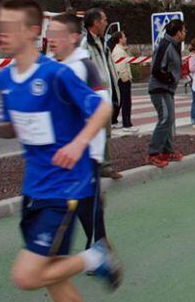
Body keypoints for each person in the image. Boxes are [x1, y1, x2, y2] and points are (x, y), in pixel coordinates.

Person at [0, 0, 121, 301]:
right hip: (34, 189)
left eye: (10, 26)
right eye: (0, 25)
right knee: (55, 280)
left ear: (32, 31)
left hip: (64, 188)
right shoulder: (5, 78)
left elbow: (102, 110)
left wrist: (80, 144)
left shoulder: (57, 74)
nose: (2, 31)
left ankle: (96, 257)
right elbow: (15, 127)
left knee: (27, 276)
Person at [46, 13, 111, 250]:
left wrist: (83, 144)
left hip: (85, 152)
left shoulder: (85, 67)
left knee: (85, 202)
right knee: (69, 201)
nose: (50, 39)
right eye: (49, 33)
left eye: (57, 34)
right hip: (59, 150)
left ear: (74, 37)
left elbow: (102, 108)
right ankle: (94, 245)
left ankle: (99, 247)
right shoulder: (51, 66)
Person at [83, 8, 122, 179]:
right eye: (104, 20)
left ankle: (104, 165)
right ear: (96, 22)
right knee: (94, 132)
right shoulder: (85, 45)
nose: (106, 23)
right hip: (94, 97)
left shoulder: (101, 43)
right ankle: (94, 167)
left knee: (105, 132)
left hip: (105, 95)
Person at [147, 19, 185, 167]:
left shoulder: (174, 46)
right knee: (165, 119)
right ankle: (153, 153)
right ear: (178, 32)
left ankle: (167, 150)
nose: (185, 33)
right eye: (184, 30)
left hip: (167, 89)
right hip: (160, 88)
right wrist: (169, 78)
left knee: (169, 119)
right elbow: (156, 69)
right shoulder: (165, 45)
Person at [109, 31, 136, 133]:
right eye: (124, 37)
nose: (126, 38)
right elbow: (120, 67)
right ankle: (127, 124)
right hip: (123, 80)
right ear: (120, 39)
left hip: (121, 79)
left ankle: (113, 121)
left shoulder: (119, 50)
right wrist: (126, 78)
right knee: (126, 102)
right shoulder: (119, 51)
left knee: (119, 102)